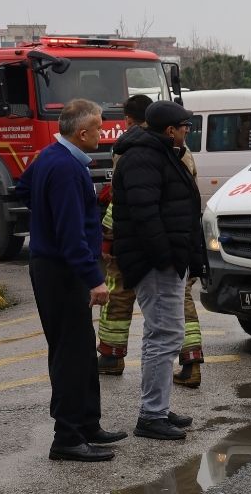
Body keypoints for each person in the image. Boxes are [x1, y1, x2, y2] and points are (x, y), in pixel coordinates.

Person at [17, 99, 125, 462]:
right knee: (70, 354)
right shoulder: (65, 168)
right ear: (82, 133)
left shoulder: (50, 156)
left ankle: (87, 424)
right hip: (60, 271)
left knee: (80, 350)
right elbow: (70, 234)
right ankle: (66, 437)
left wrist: (42, 219)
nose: (102, 131)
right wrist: (94, 279)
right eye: (97, 127)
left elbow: (23, 189)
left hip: (54, 266)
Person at [96, 96, 206, 387]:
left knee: (118, 292)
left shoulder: (131, 151)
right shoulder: (182, 152)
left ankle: (111, 356)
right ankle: (190, 359)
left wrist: (108, 239)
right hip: (176, 242)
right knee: (180, 302)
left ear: (133, 120)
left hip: (143, 244)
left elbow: (127, 205)